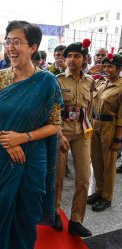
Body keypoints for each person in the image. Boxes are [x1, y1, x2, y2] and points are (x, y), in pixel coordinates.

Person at [0, 20, 62, 249]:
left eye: (17, 42)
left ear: (33, 47)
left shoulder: (47, 81)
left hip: (32, 157)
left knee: (25, 215)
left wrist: (23, 138)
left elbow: (54, 124)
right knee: (1, 209)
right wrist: (4, 138)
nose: (11, 48)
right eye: (8, 42)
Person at [53, 39, 94, 237]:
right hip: (63, 130)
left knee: (84, 178)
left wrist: (90, 128)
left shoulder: (90, 81)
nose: (71, 59)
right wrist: (58, 133)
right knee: (58, 176)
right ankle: (54, 212)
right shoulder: (58, 80)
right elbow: (52, 110)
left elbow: (91, 108)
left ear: (84, 59)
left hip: (82, 131)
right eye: (68, 56)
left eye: (76, 56)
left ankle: (76, 219)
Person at [87, 53, 122, 212]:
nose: (107, 69)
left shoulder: (120, 87)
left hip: (110, 127)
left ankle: (106, 197)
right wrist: (90, 70)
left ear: (119, 69)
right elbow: (85, 85)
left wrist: (117, 140)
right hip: (95, 125)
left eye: (111, 67)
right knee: (96, 161)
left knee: (108, 165)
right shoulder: (100, 83)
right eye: (105, 66)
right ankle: (98, 191)